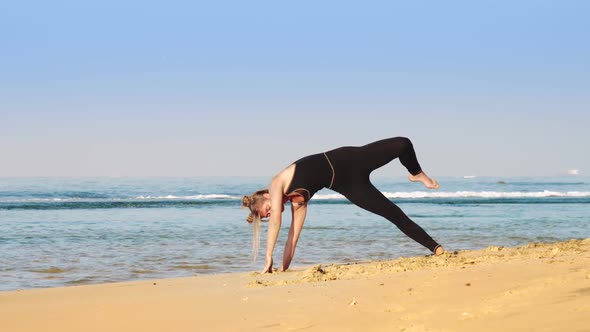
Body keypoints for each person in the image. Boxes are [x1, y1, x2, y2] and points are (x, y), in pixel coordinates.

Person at [241, 137, 444, 273]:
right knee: (393, 213)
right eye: (265, 217)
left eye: (264, 212)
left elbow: (276, 220)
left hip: (349, 158)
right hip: (348, 185)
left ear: (266, 197)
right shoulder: (298, 203)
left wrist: (268, 256)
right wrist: (282, 270)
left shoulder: (276, 182)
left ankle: (417, 174)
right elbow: (292, 239)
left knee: (403, 144)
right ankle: (435, 248)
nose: (268, 216)